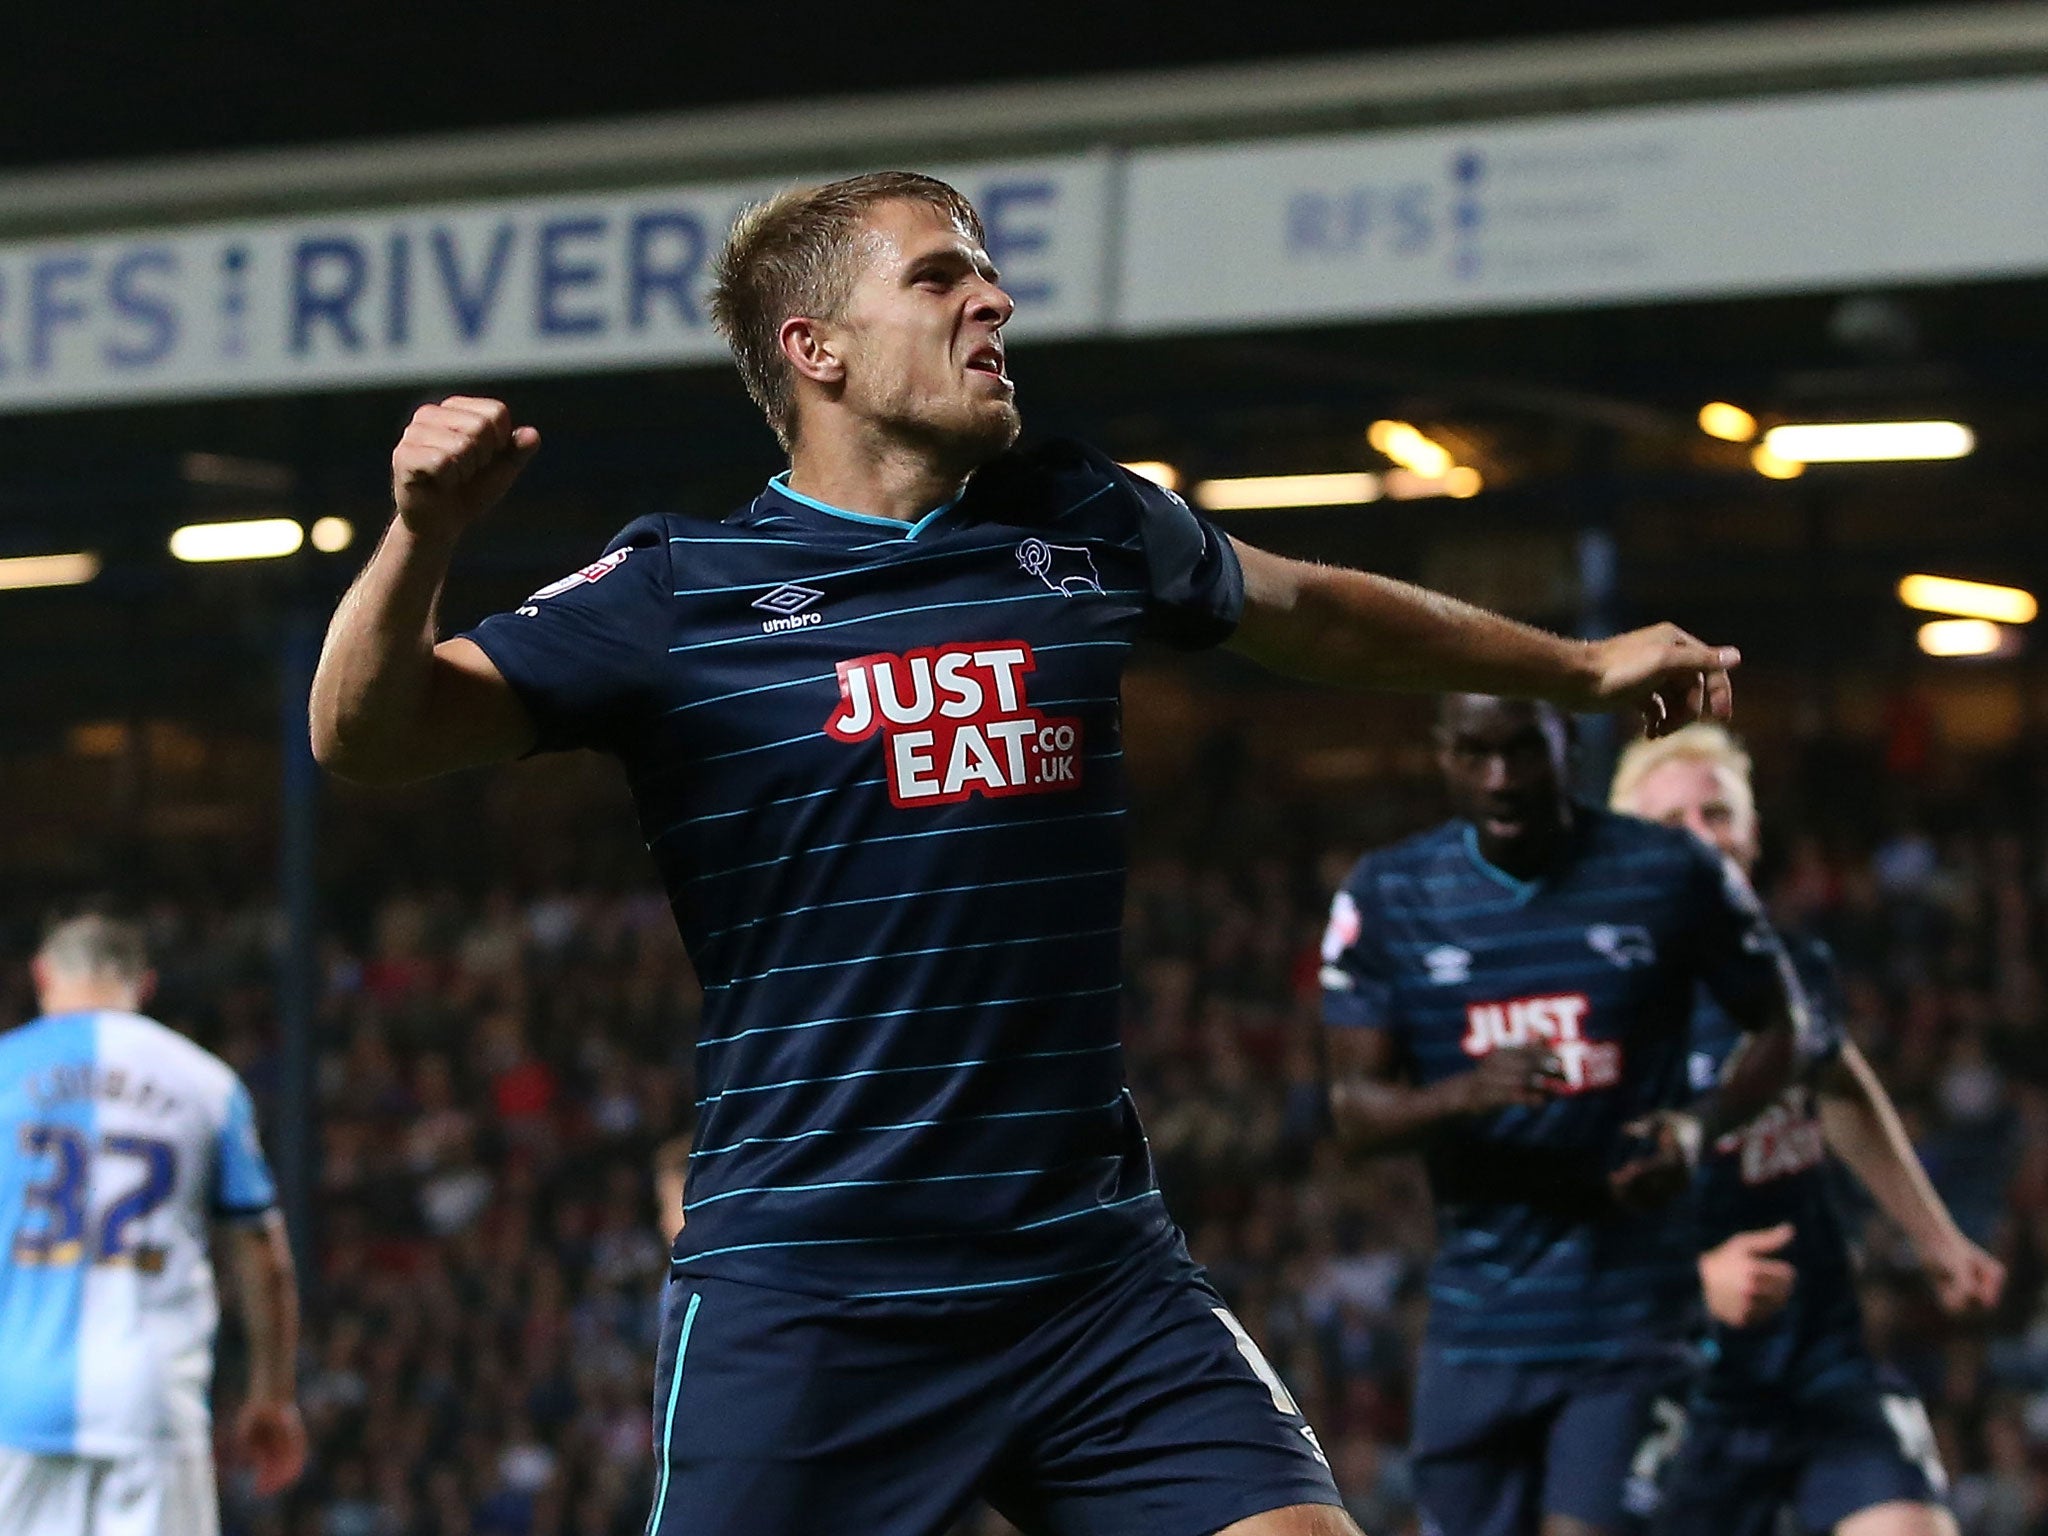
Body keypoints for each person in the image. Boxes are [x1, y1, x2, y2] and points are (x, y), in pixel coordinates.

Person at [310, 169, 1746, 1536]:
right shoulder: (679, 590)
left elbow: (1312, 610)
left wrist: (1577, 669)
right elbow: (365, 737)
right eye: (939, 279)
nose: (992, 306)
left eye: (991, 277)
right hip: (816, 1286)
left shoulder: (1078, 517)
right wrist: (418, 540)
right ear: (815, 349)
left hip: (1090, 1273)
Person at [1319, 694, 1806, 1536]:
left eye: (1522, 751)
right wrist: (1466, 1092)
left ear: (1566, 744)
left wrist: (1697, 1126)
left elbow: (1782, 1027)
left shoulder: (1666, 871)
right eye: (1475, 754)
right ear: (1442, 753)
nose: (1500, 779)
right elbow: (1353, 1114)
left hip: (1632, 1323)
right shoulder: (1389, 895)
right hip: (1477, 1328)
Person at [1609, 724, 2005, 1536]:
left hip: (1821, 1365)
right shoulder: (1604, 1012)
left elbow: (1841, 1086)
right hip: (1674, 1389)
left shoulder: (1795, 968)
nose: (1700, 836)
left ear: (1752, 834)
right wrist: (1694, 1277)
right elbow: (1552, 1209)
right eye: (1671, 821)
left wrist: (1936, 1238)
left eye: (1718, 813)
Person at [0, 911, 305, 1536]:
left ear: (41, 976)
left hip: (15, 1403)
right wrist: (272, 1394)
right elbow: (265, 1257)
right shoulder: (206, 1084)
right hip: (151, 1406)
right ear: (144, 986)